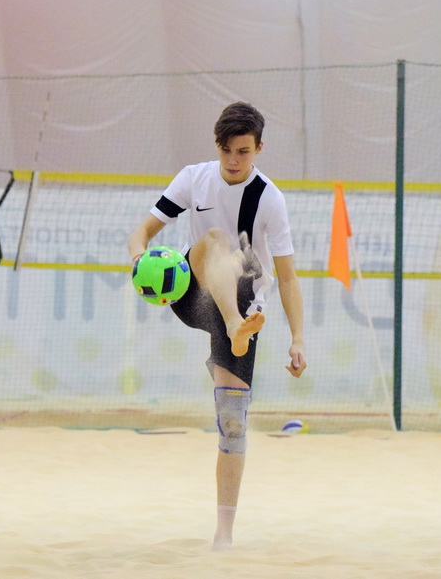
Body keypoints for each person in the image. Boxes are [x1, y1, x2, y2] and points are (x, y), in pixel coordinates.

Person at [127, 101, 307, 550]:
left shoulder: (270, 198)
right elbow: (141, 233)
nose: (233, 159)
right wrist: (140, 263)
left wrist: (298, 340)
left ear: (259, 149)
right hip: (195, 294)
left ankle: (223, 533)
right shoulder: (194, 178)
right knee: (215, 239)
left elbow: (287, 277)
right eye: (226, 150)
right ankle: (232, 327)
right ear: (217, 145)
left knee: (232, 422)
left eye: (243, 151)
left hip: (247, 303)